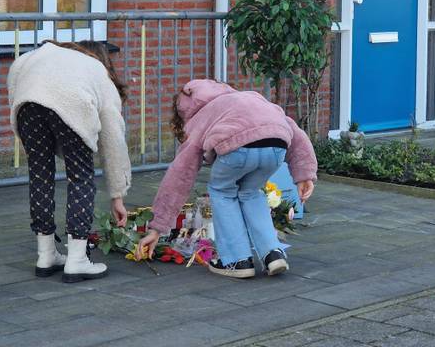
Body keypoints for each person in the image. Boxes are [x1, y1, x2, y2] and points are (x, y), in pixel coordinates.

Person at [136, 79, 317, 278]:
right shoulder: (251, 97)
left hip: (237, 149)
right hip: (277, 146)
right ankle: (273, 253)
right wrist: (305, 174)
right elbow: (296, 134)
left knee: (222, 191)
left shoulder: (202, 115)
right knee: (250, 192)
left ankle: (236, 261)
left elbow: (180, 175)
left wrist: (157, 227)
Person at [7, 40, 131, 283]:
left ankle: (45, 255)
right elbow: (113, 140)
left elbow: (15, 72)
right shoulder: (97, 71)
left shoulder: (41, 54)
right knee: (80, 177)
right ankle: (77, 260)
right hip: (72, 103)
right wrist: (117, 194)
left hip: (27, 102)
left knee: (40, 173)